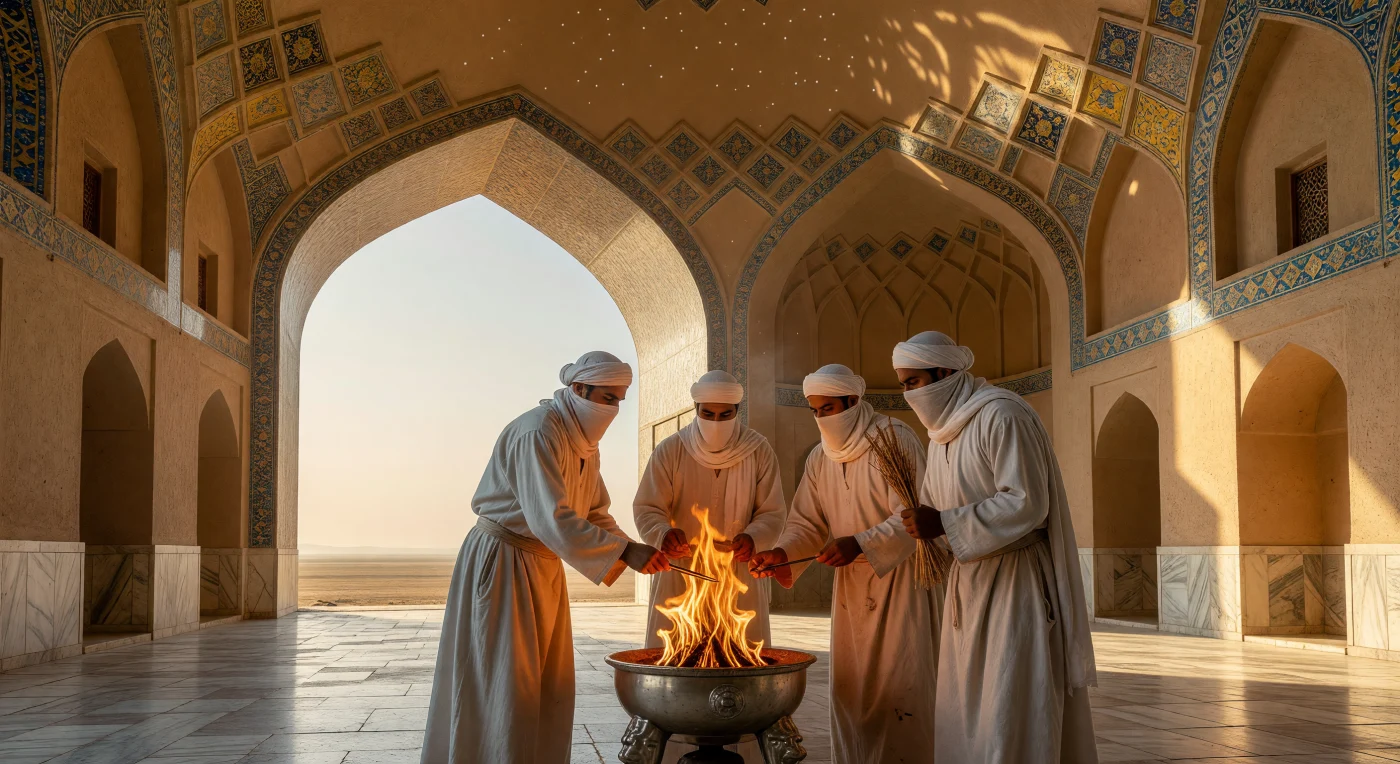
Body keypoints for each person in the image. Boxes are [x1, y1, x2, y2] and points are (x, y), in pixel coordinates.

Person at [421, 351, 670, 764]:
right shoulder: (537, 431)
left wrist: (629, 548)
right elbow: (549, 517)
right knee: (502, 682)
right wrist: (626, 551)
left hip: (542, 567)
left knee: (543, 682)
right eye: (607, 397)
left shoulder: (584, 444)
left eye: (620, 399)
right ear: (578, 389)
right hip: (502, 562)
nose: (613, 408)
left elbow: (592, 512)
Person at [892, 331, 1097, 763]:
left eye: (912, 381)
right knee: (967, 708)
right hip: (967, 585)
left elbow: (1027, 501)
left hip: (1014, 585)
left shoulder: (1002, 415)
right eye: (904, 384)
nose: (908, 393)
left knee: (1010, 703)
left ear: (944, 374)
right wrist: (924, 525)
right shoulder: (940, 436)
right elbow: (932, 505)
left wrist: (944, 522)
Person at [750, 363, 940, 764]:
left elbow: (915, 513)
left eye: (829, 408)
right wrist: (782, 553)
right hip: (851, 589)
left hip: (900, 584)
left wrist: (862, 543)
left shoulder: (894, 439)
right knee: (851, 690)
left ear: (853, 402)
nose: (822, 418)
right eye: (815, 410)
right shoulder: (821, 457)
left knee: (900, 683)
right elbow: (807, 520)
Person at [634, 370, 785, 648]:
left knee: (739, 655)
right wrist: (663, 535)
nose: (716, 422)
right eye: (708, 414)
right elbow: (647, 507)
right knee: (677, 656)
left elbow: (772, 511)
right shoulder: (671, 450)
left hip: (737, 574)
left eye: (725, 415)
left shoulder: (758, 451)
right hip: (682, 572)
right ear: (696, 409)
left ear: (737, 411)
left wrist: (753, 538)